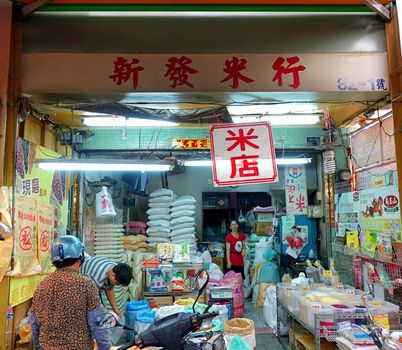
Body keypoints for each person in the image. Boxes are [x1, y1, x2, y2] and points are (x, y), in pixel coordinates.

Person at [28, 235, 111, 350]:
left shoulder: (41, 287)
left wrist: (39, 346)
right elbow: (98, 322)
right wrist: (105, 347)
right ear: (79, 259)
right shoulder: (86, 285)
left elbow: (33, 321)